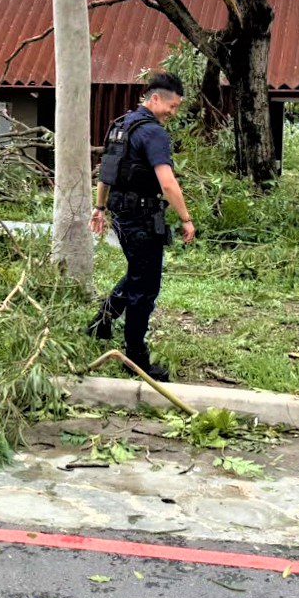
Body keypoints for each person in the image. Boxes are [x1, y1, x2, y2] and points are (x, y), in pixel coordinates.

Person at [89, 71, 196, 381]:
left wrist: (100, 207)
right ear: (155, 99)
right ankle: (135, 357)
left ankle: (101, 323)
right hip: (141, 217)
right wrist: (186, 219)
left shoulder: (120, 126)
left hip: (121, 214)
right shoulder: (153, 133)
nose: (173, 113)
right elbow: (168, 183)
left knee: (138, 272)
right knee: (145, 286)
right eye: (172, 106)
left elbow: (106, 173)